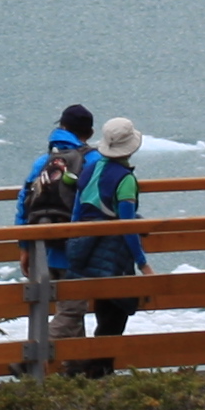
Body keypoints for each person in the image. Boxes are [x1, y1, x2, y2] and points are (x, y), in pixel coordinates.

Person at [63, 117, 152, 373]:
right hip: (113, 256)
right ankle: (96, 376)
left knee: (104, 315)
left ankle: (84, 374)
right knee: (115, 319)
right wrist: (143, 264)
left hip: (87, 252)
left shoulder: (90, 169)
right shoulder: (125, 180)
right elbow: (127, 226)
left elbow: (77, 213)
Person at [15, 105, 96, 225]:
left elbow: (24, 198)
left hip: (40, 236)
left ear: (62, 128)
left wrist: (23, 234)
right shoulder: (96, 160)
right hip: (81, 236)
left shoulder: (43, 161)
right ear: (90, 133)